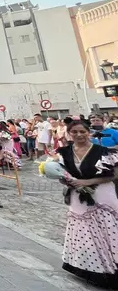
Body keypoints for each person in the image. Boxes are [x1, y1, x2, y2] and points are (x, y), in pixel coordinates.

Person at [56, 120, 118, 288]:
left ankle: (113, 267)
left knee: (107, 228)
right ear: (69, 134)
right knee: (84, 231)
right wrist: (67, 181)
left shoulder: (102, 151)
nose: (78, 135)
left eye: (82, 131)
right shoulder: (65, 152)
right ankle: (91, 268)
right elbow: (62, 173)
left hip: (102, 193)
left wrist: (87, 182)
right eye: (74, 132)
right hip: (77, 196)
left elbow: (113, 175)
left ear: (88, 132)